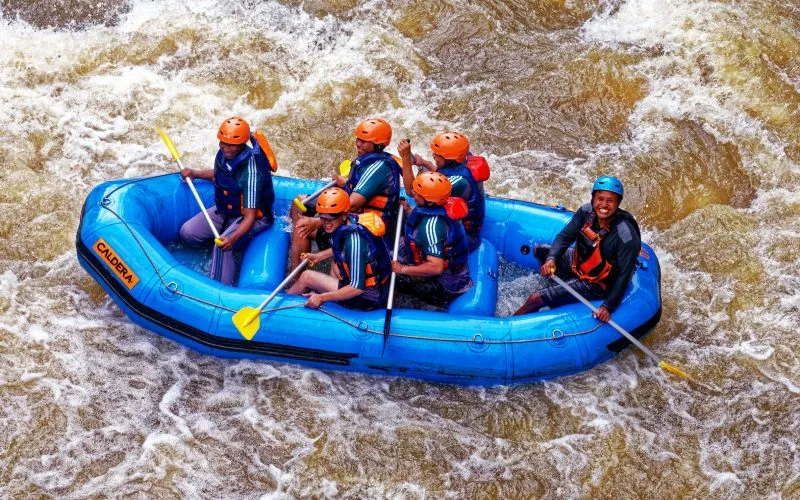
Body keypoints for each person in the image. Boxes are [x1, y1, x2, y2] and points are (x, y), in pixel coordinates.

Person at [513, 176, 641, 322]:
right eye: (600, 199)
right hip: (578, 263)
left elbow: (623, 276)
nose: (604, 205)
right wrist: (550, 260)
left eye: (610, 201)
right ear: (593, 198)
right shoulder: (586, 212)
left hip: (597, 284)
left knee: (535, 298)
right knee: (540, 251)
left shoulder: (625, 236)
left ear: (618, 203)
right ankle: (558, 286)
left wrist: (608, 306)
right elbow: (564, 237)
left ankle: (507, 329)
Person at [289, 118, 401, 268]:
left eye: (364, 141)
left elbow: (352, 204)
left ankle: (297, 278)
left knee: (301, 226)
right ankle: (304, 247)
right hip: (352, 216)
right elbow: (361, 188)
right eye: (358, 139)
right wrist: (347, 183)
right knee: (299, 202)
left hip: (364, 228)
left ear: (378, 144)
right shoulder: (369, 159)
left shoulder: (379, 168)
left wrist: (316, 222)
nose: (358, 144)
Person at [179, 117, 275, 285]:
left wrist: (233, 239)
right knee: (188, 232)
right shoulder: (224, 154)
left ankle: (218, 291)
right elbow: (220, 174)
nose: (226, 148)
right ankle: (228, 246)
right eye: (223, 143)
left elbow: (250, 216)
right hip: (227, 210)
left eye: (231, 145)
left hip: (254, 216)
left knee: (222, 248)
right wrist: (195, 173)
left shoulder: (251, 172)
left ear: (243, 143)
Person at [287, 187, 392, 311]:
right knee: (335, 264)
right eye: (323, 217)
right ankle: (335, 302)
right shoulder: (350, 221)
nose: (326, 223)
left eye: (331, 218)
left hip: (369, 297)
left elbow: (357, 287)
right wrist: (318, 256)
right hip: (375, 287)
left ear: (344, 215)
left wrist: (322, 297)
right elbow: (340, 248)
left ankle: (283, 305)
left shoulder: (355, 242)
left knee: (306, 276)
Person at [391, 172, 473, 306]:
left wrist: (403, 269)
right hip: (453, 270)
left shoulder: (432, 227)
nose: (412, 193)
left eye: (417, 193)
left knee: (394, 279)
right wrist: (408, 210)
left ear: (428, 201)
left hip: (447, 285)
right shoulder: (439, 206)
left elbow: (436, 267)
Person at [397, 132, 486, 252]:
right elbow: (444, 175)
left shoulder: (458, 183)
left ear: (449, 160)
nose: (433, 156)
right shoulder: (461, 159)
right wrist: (424, 163)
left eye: (438, 155)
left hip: (465, 238)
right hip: (462, 227)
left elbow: (411, 191)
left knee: (401, 246)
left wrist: (406, 158)